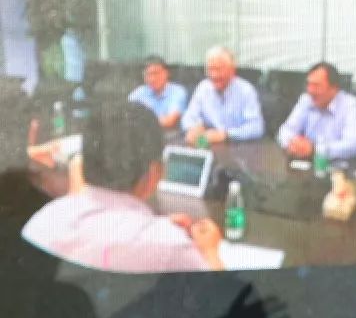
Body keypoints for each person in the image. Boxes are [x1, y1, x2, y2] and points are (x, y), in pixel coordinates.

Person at [21, 100, 225, 272]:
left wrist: (156, 224)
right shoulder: (170, 246)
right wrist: (210, 251)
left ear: (82, 164)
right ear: (155, 172)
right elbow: (222, 299)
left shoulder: (41, 223)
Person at [276, 62, 356, 162]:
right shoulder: (306, 99)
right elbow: (285, 131)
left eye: (316, 85)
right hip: (307, 163)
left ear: (334, 88)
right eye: (309, 84)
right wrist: (293, 143)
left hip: (337, 166)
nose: (310, 90)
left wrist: (314, 149)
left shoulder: (351, 105)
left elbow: (354, 144)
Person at [181, 47, 264, 144]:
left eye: (218, 69)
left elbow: (257, 127)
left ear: (232, 70)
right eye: (210, 69)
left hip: (235, 146)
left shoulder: (246, 91)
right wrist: (193, 127)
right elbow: (188, 117)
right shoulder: (203, 88)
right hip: (208, 143)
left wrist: (225, 135)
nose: (214, 75)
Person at [127, 56, 188, 130]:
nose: (152, 79)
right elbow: (126, 116)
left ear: (166, 73)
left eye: (156, 73)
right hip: (143, 132)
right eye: (148, 75)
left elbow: (169, 121)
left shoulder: (178, 91)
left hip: (168, 133)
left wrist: (142, 121)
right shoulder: (139, 92)